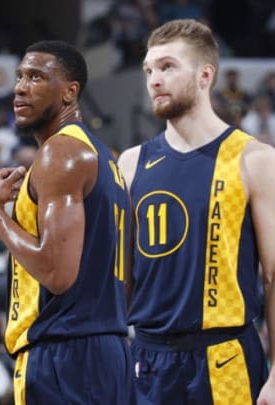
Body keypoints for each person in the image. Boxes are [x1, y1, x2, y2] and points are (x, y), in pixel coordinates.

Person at [118, 19, 275, 404]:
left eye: (168, 67)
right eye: (149, 70)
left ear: (206, 75)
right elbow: (120, 280)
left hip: (226, 358)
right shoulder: (131, 163)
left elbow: (273, 276)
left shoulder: (254, 159)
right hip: (146, 361)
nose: (154, 79)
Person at [0, 40, 133, 404]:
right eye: (19, 76)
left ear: (70, 92)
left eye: (36, 77)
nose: (20, 86)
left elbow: (56, 272)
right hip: (110, 351)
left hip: (64, 355)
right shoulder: (105, 158)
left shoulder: (59, 153)